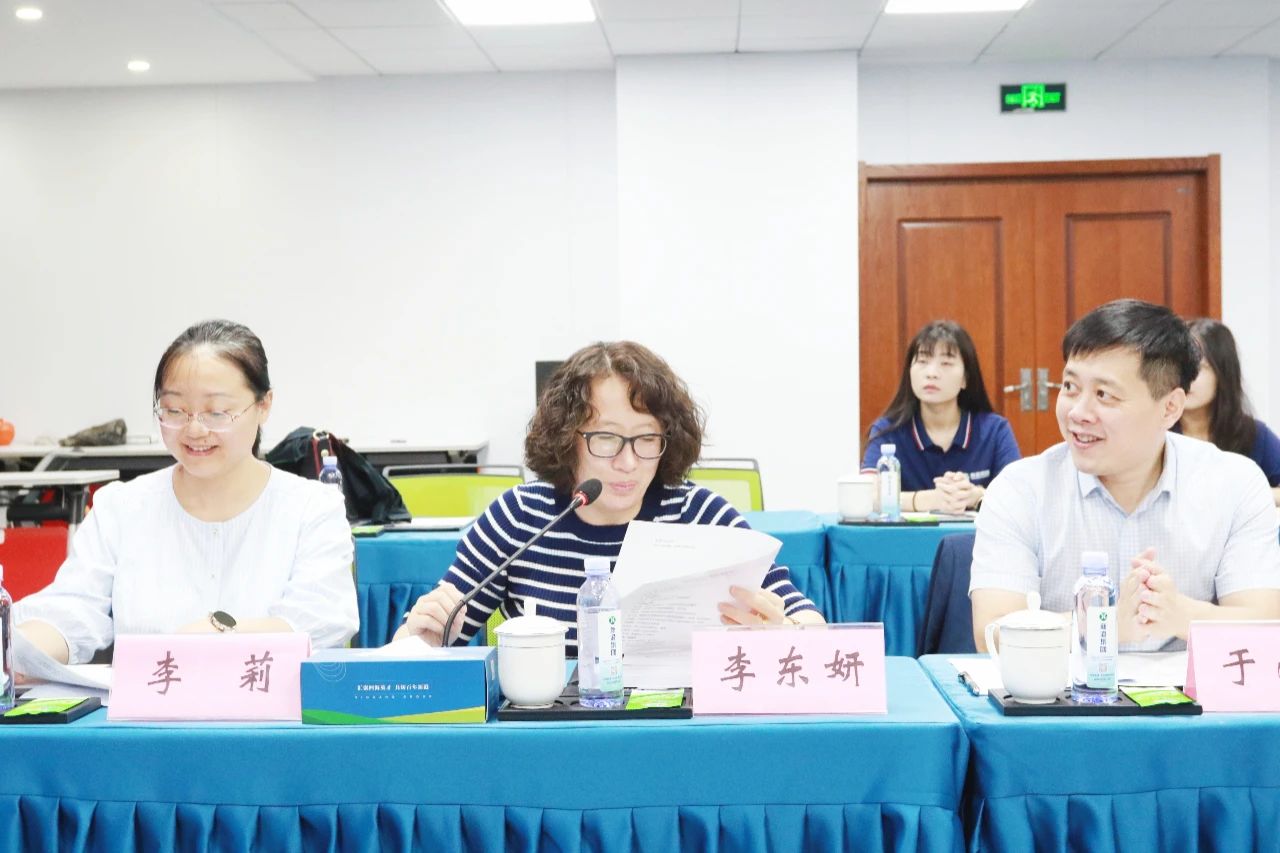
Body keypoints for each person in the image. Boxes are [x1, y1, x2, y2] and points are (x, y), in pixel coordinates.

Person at [396, 341, 823, 651]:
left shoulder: (701, 516)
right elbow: (428, 638)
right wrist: (420, 636)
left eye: (646, 439)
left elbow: (809, 622)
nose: (628, 462)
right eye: (606, 439)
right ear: (567, 438)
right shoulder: (520, 518)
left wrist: (787, 632)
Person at [14, 320, 358, 667]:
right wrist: (16, 649)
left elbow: (320, 618)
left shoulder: (311, 509)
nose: (194, 430)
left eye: (217, 412)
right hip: (149, 702)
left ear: (264, 405)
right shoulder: (121, 508)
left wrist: (218, 635)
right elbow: (73, 610)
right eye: (174, 411)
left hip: (269, 700)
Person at [971, 299, 1280, 652]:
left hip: (1185, 689)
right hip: (1059, 688)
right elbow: (992, 635)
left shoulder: (1235, 485)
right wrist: (1107, 626)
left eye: (1104, 394)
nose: (1078, 412)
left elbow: (1265, 626)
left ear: (1170, 408)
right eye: (1070, 387)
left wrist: (1180, 615)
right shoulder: (1020, 490)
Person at [862, 320, 1020, 513]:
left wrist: (975, 495)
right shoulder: (888, 431)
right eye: (922, 361)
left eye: (946, 363)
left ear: (965, 378)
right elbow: (865, 496)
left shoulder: (995, 431)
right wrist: (925, 500)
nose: (931, 373)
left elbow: (1019, 497)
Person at [1177, 317, 1280, 505]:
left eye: (1199, 368)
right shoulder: (1156, 432)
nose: (1187, 379)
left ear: (1223, 373)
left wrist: (1250, 495)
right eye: (1182, 368)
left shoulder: (1253, 434)